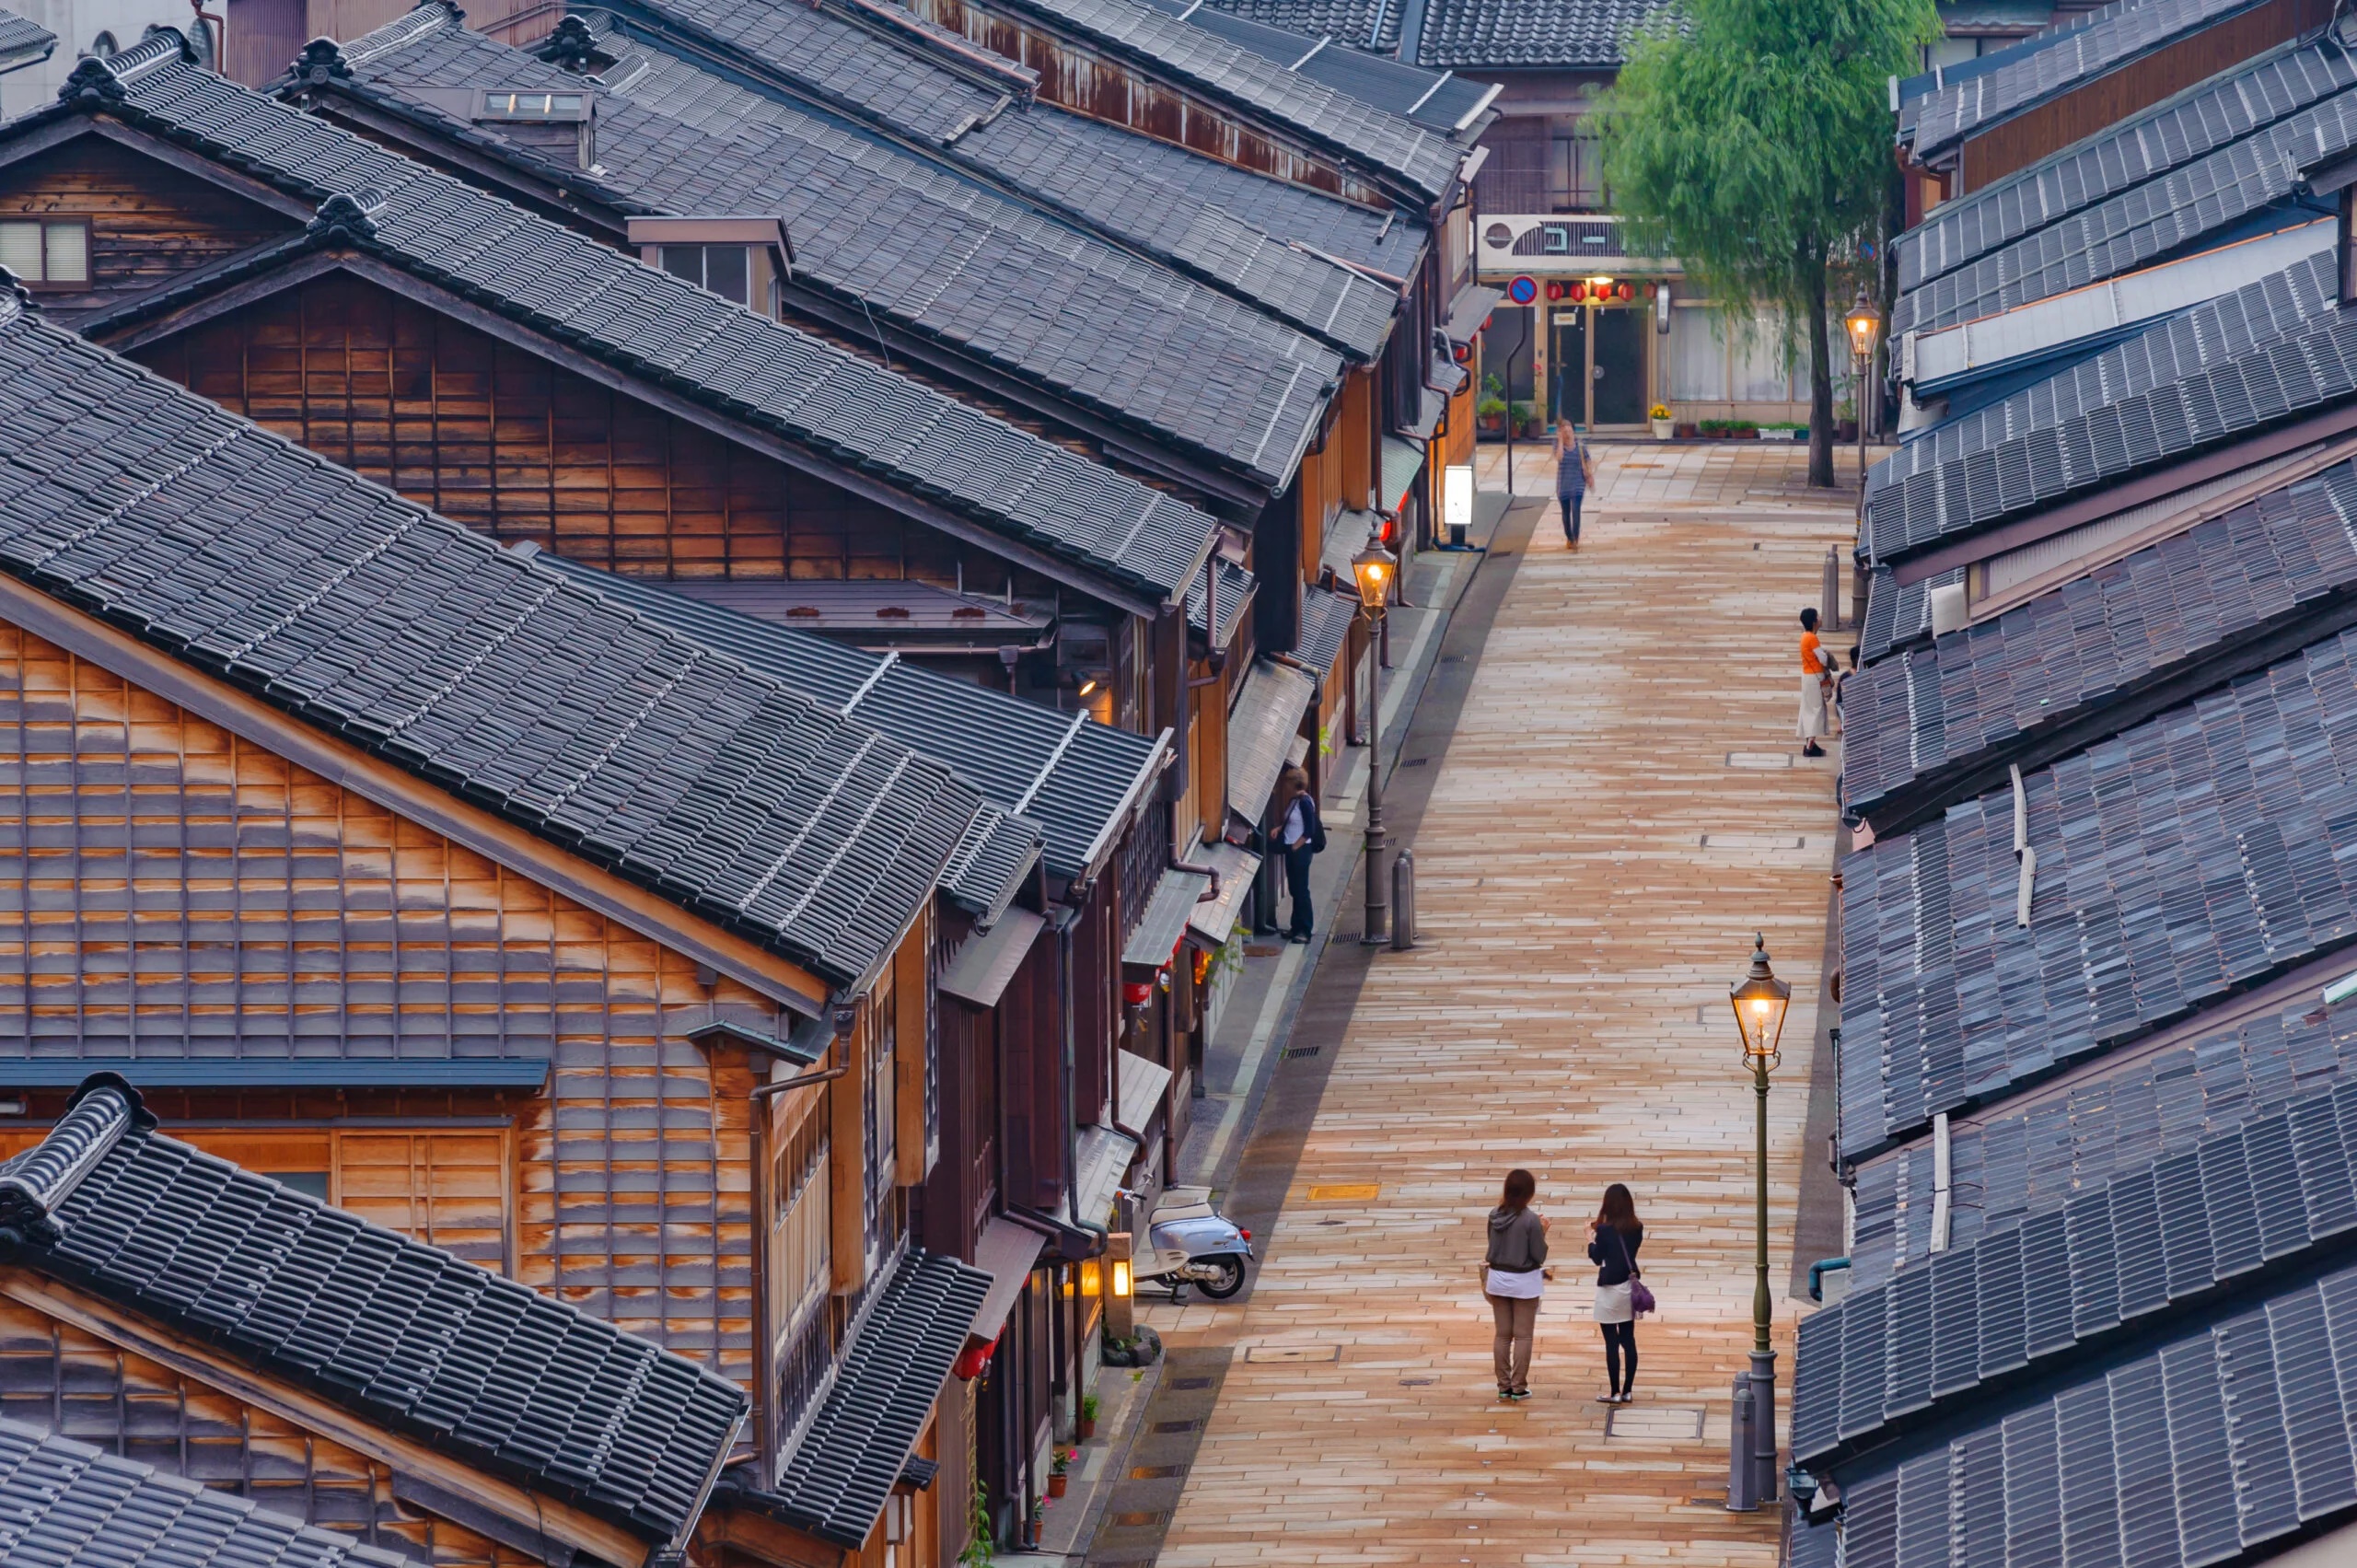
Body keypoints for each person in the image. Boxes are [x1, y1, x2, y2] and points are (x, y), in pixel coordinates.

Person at [1483, 1168, 1550, 1400]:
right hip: (1524, 1281)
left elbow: (1492, 1244)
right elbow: (1538, 1255)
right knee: (1523, 1336)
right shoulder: (1530, 1219)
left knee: (1502, 1335)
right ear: (1529, 1192)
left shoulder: (1494, 1215)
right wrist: (1542, 1232)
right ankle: (1518, 1386)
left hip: (1497, 1278)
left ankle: (1503, 1385)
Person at [1588, 1183, 1644, 1403]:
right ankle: (1628, 1390)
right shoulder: (1637, 1227)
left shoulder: (1604, 1230)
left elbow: (1597, 1257)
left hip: (1609, 1289)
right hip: (1629, 1286)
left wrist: (1590, 1239)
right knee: (1628, 1340)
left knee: (1611, 1343)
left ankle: (1614, 1392)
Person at [1271, 763, 1325, 944]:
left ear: (1294, 783)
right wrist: (1280, 828)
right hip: (1293, 848)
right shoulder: (1296, 800)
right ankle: (1296, 927)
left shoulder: (1304, 802)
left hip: (1300, 851)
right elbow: (1295, 822)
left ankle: (1305, 930)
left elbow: (1309, 829)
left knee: (1301, 891)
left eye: (1288, 782)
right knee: (1295, 889)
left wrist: (1296, 846)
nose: (1286, 786)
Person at [1797, 607, 1831, 759]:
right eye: (1818, 617)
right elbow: (1823, 659)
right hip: (1815, 677)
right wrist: (1826, 655)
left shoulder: (1804, 636)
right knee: (1817, 710)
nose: (1820, 619)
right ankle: (1810, 746)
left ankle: (1810, 742)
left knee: (1808, 709)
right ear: (1814, 622)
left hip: (1807, 676)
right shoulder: (1812, 638)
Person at [1554, 417, 1594, 548]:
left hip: (1578, 483)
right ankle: (1569, 537)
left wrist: (1589, 473)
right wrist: (1560, 441)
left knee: (1576, 510)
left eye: (1569, 430)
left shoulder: (1580, 445)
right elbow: (1559, 457)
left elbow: (1588, 460)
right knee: (1566, 514)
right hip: (1563, 485)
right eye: (1564, 431)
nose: (1567, 433)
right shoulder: (1557, 445)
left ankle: (1575, 539)